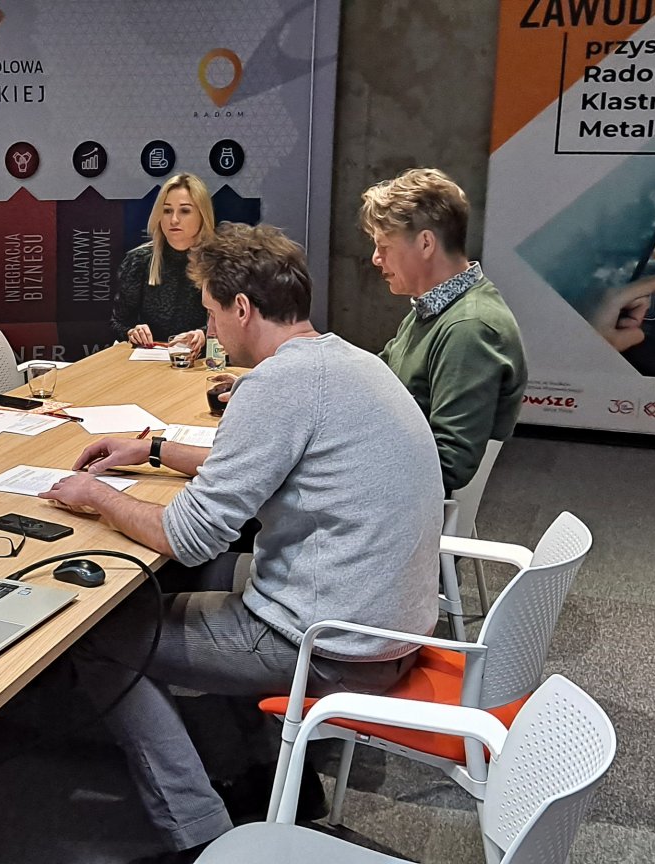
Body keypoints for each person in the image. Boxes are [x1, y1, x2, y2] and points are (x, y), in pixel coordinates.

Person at [39, 224, 443, 856]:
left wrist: (96, 496)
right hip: (389, 622)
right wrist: (153, 449)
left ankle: (198, 834)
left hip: (333, 644)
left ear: (243, 309)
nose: (211, 327)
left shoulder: (275, 385)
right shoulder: (347, 361)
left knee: (99, 637)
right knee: (212, 581)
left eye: (211, 312)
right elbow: (260, 461)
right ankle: (262, 779)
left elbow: (186, 536)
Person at [363, 168, 527, 494]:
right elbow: (379, 375)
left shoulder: (470, 329)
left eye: (384, 246)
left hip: (408, 500)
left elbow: (449, 465)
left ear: (426, 243)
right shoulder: (436, 308)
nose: (376, 259)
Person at [112, 172, 216, 350]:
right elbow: (117, 323)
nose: (174, 220)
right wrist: (132, 332)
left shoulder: (219, 263)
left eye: (184, 211)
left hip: (202, 361)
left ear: (202, 215)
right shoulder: (139, 260)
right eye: (167, 211)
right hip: (150, 359)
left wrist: (205, 334)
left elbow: (235, 326)